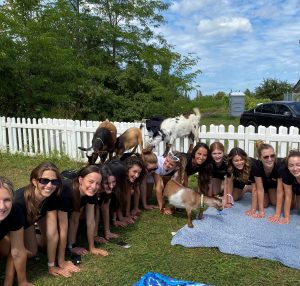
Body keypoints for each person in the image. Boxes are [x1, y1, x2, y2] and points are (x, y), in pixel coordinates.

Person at [14, 161, 72, 278]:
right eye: (44, 181)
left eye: (54, 181)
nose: (49, 185)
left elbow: (52, 233)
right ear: (34, 182)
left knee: (33, 252)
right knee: (13, 252)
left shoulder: (51, 196)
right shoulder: (19, 202)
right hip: (10, 227)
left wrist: (52, 265)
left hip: (27, 223)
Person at [64, 165, 108, 257]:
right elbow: (63, 225)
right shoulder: (68, 192)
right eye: (91, 182)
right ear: (80, 180)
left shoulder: (91, 193)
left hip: (64, 212)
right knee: (47, 242)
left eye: (97, 183)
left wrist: (92, 248)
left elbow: (90, 221)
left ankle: (70, 244)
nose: (94, 186)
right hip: (43, 212)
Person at [0, 176, 32, 286]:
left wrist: (22, 282)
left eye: (7, 200)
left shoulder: (15, 211)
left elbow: (17, 250)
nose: (2, 206)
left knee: (7, 249)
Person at [246, 141, 283, 218]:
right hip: (263, 185)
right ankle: (248, 188)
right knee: (264, 204)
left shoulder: (279, 165)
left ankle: (270, 192)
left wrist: (277, 214)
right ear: (259, 157)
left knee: (275, 202)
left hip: (274, 185)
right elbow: (260, 189)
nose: (270, 159)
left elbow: (280, 191)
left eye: (272, 156)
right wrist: (261, 211)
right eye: (266, 157)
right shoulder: (256, 166)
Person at [142, 149, 180, 214]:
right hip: (146, 171)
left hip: (151, 173)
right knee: (145, 194)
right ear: (166, 157)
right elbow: (158, 187)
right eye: (167, 160)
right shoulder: (158, 165)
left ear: (175, 166)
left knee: (147, 196)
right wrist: (161, 208)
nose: (167, 164)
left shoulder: (177, 168)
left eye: (171, 164)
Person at [268, 150, 300, 224]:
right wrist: (283, 216)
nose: (295, 169)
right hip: (292, 186)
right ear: (288, 167)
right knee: (290, 206)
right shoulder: (285, 172)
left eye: (298, 165)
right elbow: (287, 196)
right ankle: (294, 195)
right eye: (291, 165)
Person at [118, 153, 146, 224]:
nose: (137, 175)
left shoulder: (129, 178)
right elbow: (116, 198)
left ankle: (124, 212)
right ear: (127, 168)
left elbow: (128, 194)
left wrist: (127, 214)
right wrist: (121, 217)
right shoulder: (120, 175)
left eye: (139, 173)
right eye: (134, 171)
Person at [94, 164, 119, 242]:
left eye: (113, 182)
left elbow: (105, 208)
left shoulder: (107, 190)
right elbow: (95, 211)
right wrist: (94, 236)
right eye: (107, 183)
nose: (111, 186)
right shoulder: (93, 189)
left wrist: (107, 232)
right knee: (96, 208)